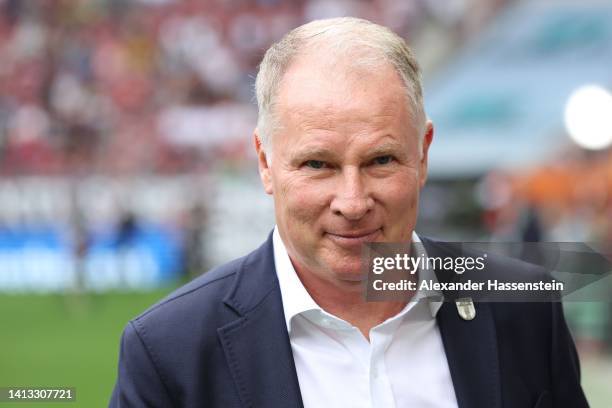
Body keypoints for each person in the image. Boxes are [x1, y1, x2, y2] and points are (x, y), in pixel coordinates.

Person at [109, 17, 588, 407]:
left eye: (381, 160)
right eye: (318, 164)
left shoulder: (524, 307)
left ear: (422, 155)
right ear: (265, 162)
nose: (353, 202)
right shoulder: (168, 351)